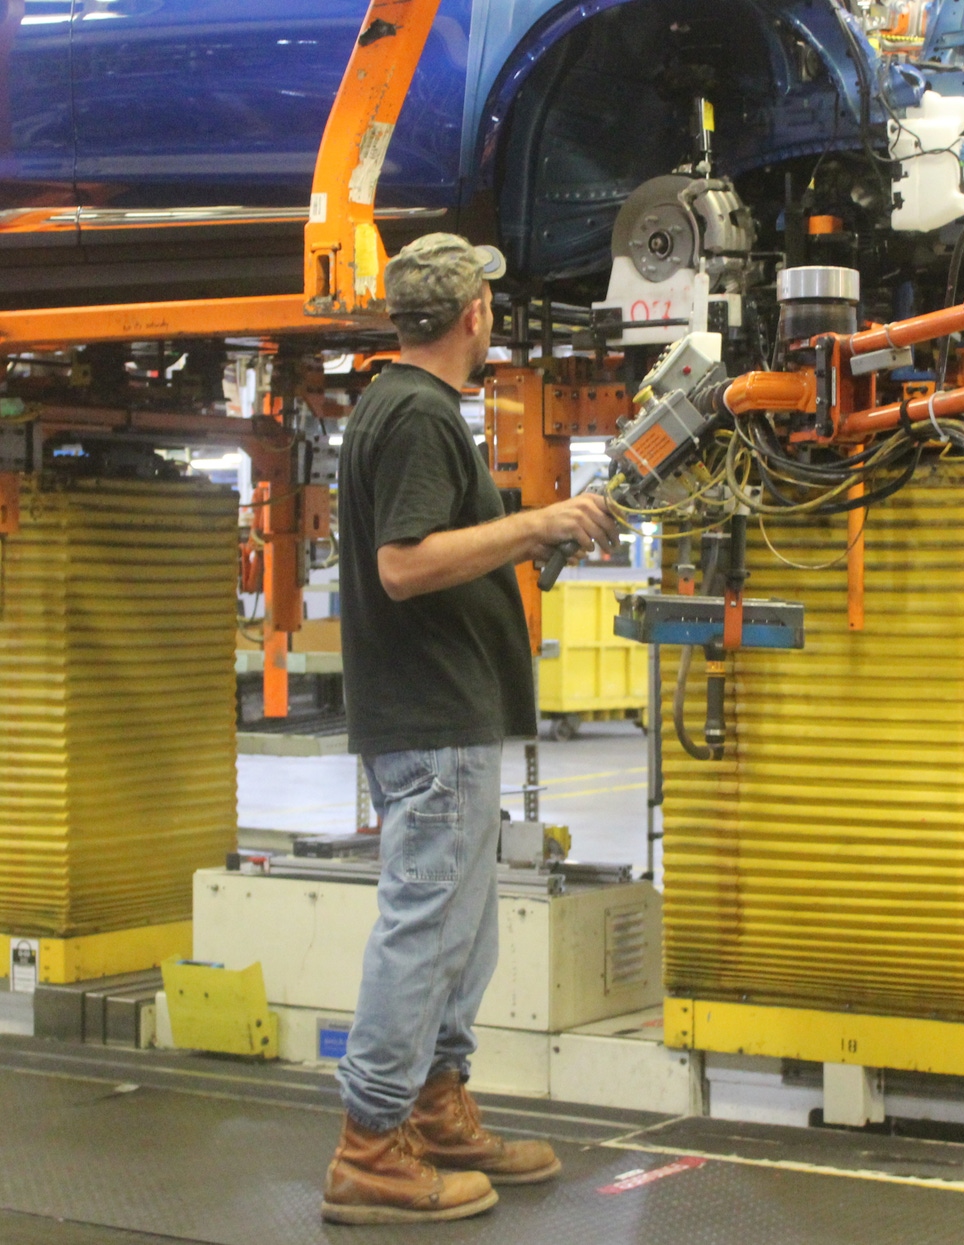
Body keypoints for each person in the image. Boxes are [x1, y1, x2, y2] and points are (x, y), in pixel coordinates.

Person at [323, 233, 617, 1226]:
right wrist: (534, 528)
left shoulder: (409, 408)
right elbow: (403, 564)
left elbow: (440, 545)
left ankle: (437, 1107)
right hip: (429, 714)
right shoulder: (412, 413)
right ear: (473, 316)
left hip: (444, 715)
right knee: (424, 926)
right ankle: (371, 1144)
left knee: (462, 928)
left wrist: (544, 520)